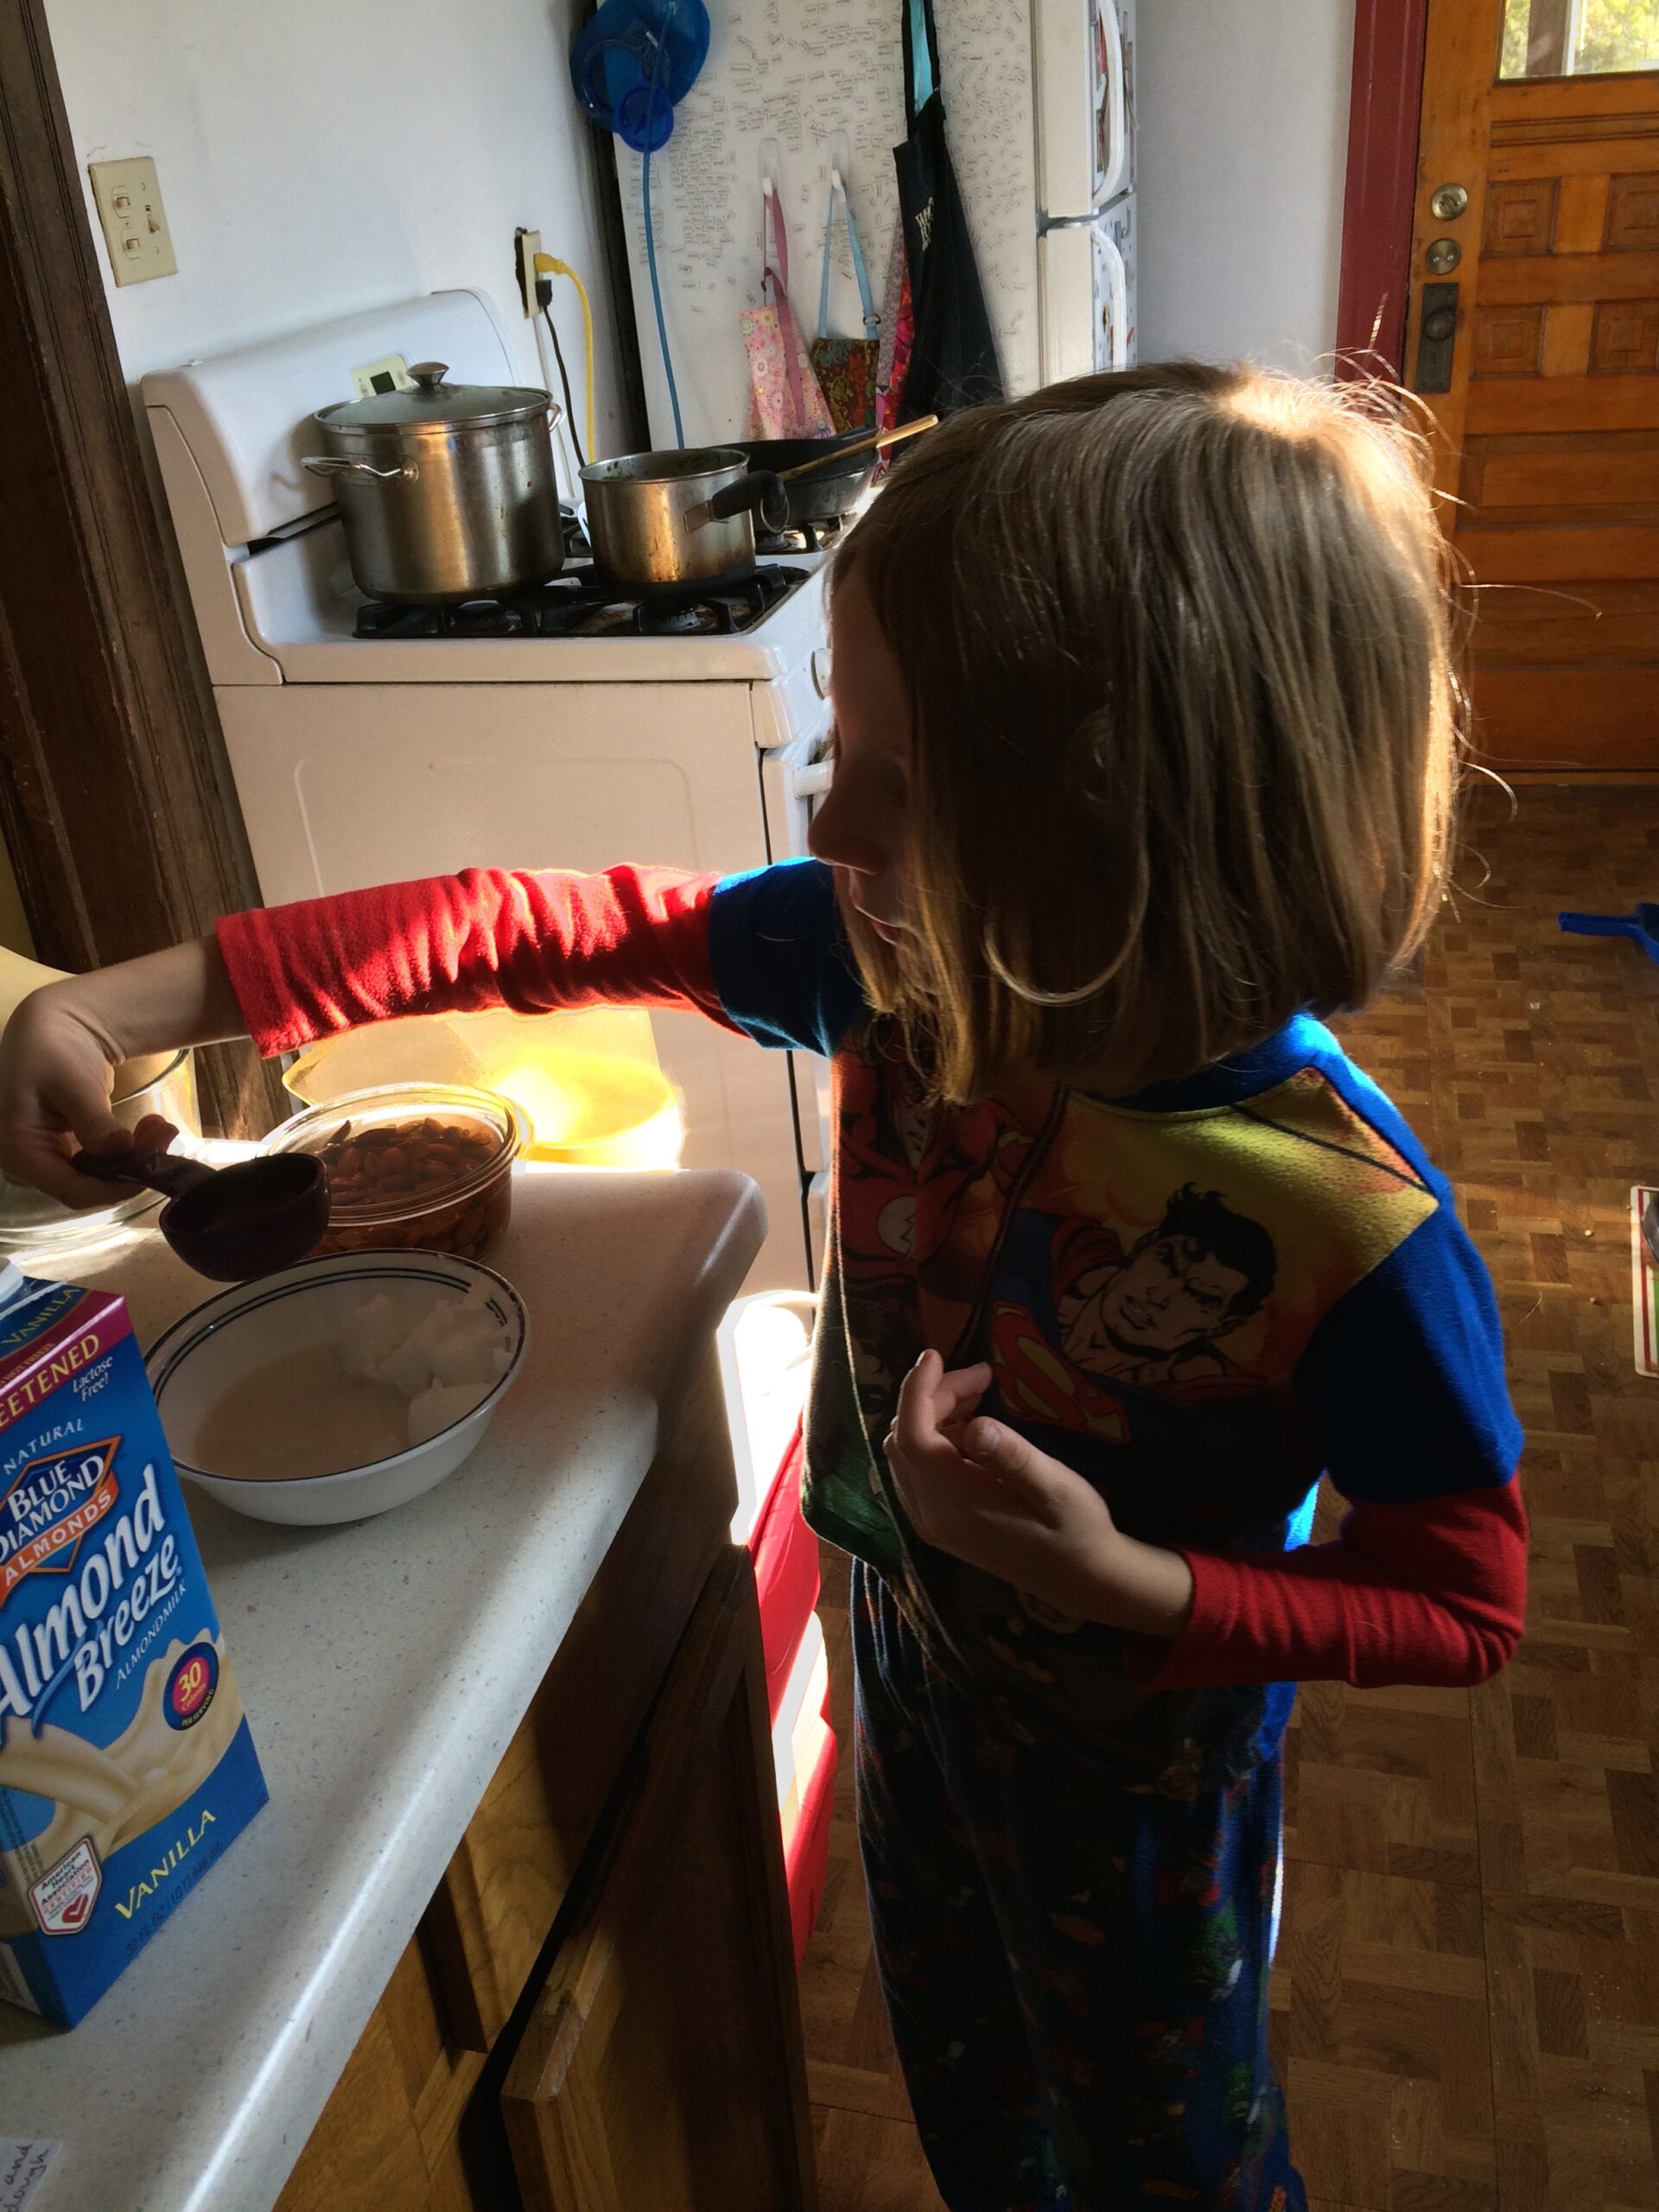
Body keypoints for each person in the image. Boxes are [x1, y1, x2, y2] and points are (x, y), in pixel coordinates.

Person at [0, 363, 1527, 2212]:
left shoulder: (1351, 1225)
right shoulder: (908, 960)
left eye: (889, 782)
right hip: (918, 1664)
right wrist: (115, 1005)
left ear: (1124, 836)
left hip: (1143, 1781)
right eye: (835, 748)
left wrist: (1126, 1580)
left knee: (1167, 2157)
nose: (823, 825)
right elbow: (527, 923)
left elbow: (1462, 1600)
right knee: (968, 2078)